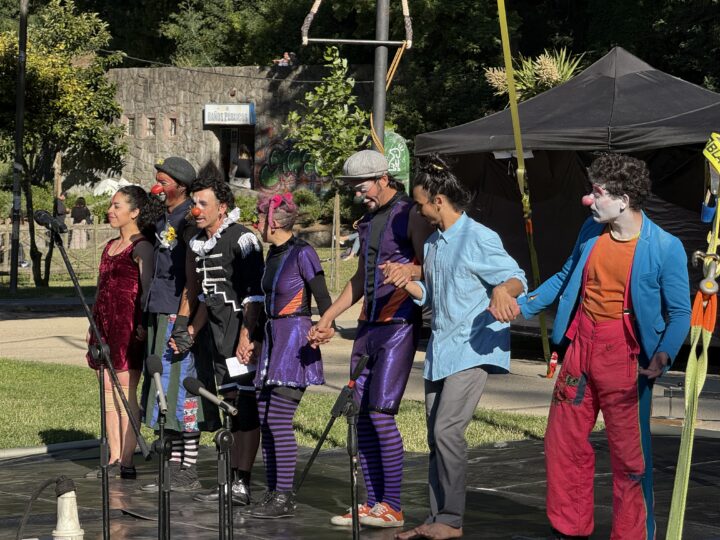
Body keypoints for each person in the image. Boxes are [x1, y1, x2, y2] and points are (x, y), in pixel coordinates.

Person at [517, 153, 691, 540]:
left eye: (597, 193)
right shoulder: (591, 230)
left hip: (626, 355)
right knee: (563, 442)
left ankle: (632, 534)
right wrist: (521, 305)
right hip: (581, 346)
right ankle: (569, 529)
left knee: (630, 457)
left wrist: (663, 355)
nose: (589, 200)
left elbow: (680, 312)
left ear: (624, 200)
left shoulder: (665, 247)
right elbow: (566, 276)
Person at [385, 154, 526, 540]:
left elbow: (517, 277)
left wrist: (503, 290)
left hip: (472, 348)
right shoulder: (433, 244)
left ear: (439, 201)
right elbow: (431, 295)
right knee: (436, 436)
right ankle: (438, 518)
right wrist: (406, 283)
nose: (417, 211)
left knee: (448, 431)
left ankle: (451, 519)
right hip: (440, 351)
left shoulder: (479, 237)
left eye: (420, 204)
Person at [309, 149, 434, 529]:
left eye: (360, 187)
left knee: (380, 412)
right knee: (360, 413)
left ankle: (392, 506)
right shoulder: (367, 221)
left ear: (383, 179)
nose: (356, 194)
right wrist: (328, 317)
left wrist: (409, 270)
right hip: (367, 326)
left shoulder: (411, 213)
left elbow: (432, 263)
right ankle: (373, 502)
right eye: (352, 188)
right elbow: (361, 278)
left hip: (399, 324)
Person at [241, 192, 332, 519]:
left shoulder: (302, 252)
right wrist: (254, 338)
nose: (256, 222)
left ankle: (283, 495)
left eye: (260, 217)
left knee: (278, 419)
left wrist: (325, 327)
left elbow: (323, 298)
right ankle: (272, 492)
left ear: (274, 223)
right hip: (272, 340)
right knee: (265, 417)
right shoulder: (273, 253)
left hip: (294, 340)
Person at [185, 162, 265, 507]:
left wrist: (248, 336)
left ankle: (242, 482)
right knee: (229, 406)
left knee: (245, 409)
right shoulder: (198, 244)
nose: (196, 209)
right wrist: (192, 329)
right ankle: (230, 479)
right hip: (218, 339)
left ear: (222, 206)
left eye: (203, 203)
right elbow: (207, 297)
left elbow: (255, 294)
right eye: (194, 203)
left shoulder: (242, 238)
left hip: (240, 337)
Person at [141, 156, 215, 493]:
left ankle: (188, 469)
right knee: (162, 390)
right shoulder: (163, 217)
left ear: (181, 186)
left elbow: (193, 278)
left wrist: (185, 324)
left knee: (181, 391)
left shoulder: (189, 219)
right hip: (158, 310)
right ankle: (171, 469)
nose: (157, 187)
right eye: (156, 180)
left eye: (163, 182)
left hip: (178, 313)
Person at [85, 186, 155, 480]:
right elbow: (101, 289)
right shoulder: (110, 246)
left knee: (125, 393)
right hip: (103, 327)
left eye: (117, 206)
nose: (110, 211)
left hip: (128, 328)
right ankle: (114, 456)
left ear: (134, 212)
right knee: (106, 391)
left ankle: (127, 460)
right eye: (111, 206)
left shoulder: (142, 247)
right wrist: (92, 324)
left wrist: (143, 324)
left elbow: (148, 292)